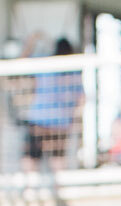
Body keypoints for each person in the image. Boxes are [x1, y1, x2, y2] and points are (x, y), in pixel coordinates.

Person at [23, 35, 82, 168]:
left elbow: (23, 59)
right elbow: (80, 99)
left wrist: (35, 36)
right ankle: (58, 188)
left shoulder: (44, 65)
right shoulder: (74, 73)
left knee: (31, 159)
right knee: (57, 162)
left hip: (39, 120)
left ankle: (29, 188)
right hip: (60, 123)